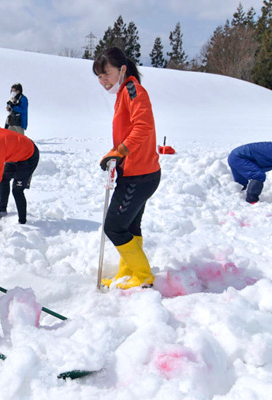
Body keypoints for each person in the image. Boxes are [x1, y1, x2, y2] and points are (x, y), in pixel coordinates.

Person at [93, 47, 161, 290]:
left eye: (107, 74)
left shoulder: (133, 91)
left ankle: (143, 277)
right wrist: (117, 157)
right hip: (133, 171)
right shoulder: (123, 92)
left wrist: (119, 151)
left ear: (122, 69)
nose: (103, 81)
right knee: (130, 227)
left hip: (140, 175)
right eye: (99, 77)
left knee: (114, 227)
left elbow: (143, 127)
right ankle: (128, 273)